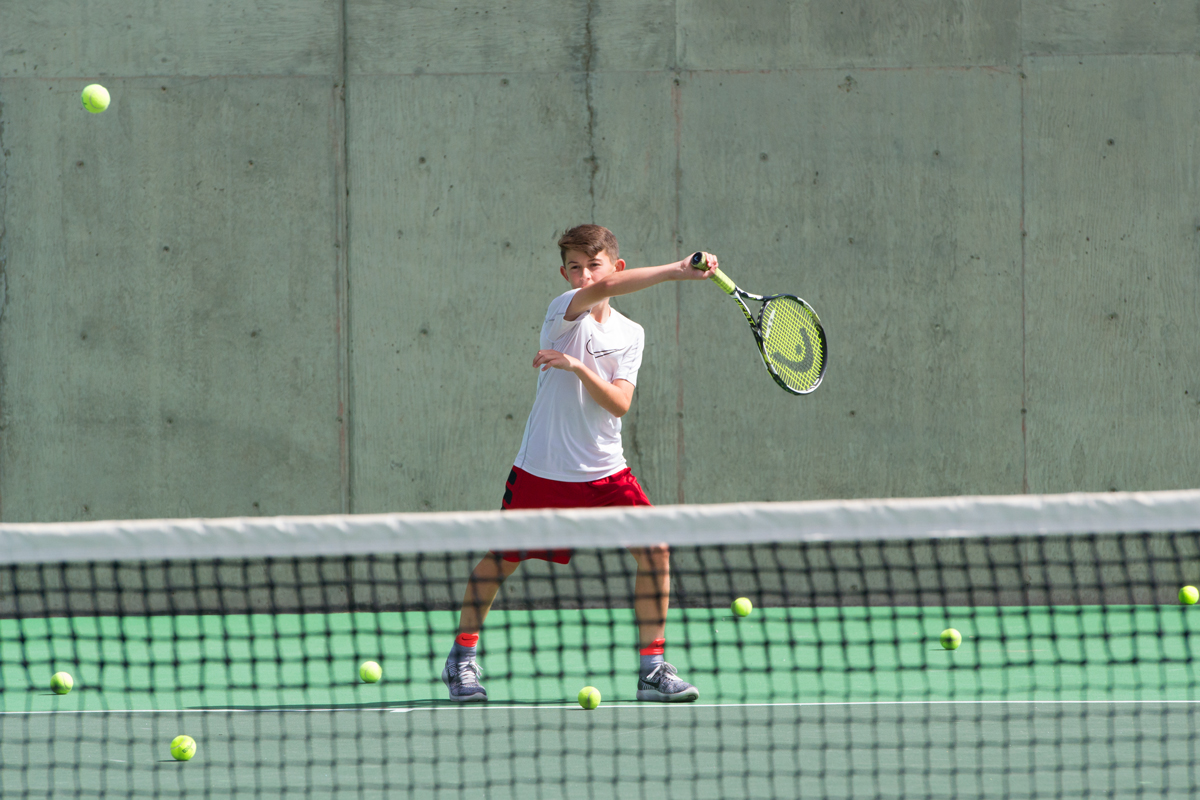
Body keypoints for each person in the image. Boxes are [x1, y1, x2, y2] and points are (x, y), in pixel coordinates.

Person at [442, 224, 718, 703]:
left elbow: (619, 404)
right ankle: (461, 659)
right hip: (542, 472)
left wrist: (578, 368)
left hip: (607, 472)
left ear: (617, 265)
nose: (584, 275)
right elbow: (601, 293)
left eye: (594, 265)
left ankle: (653, 670)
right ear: (564, 272)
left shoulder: (632, 333)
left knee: (656, 549)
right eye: (574, 266)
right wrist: (678, 270)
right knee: (500, 563)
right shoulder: (562, 311)